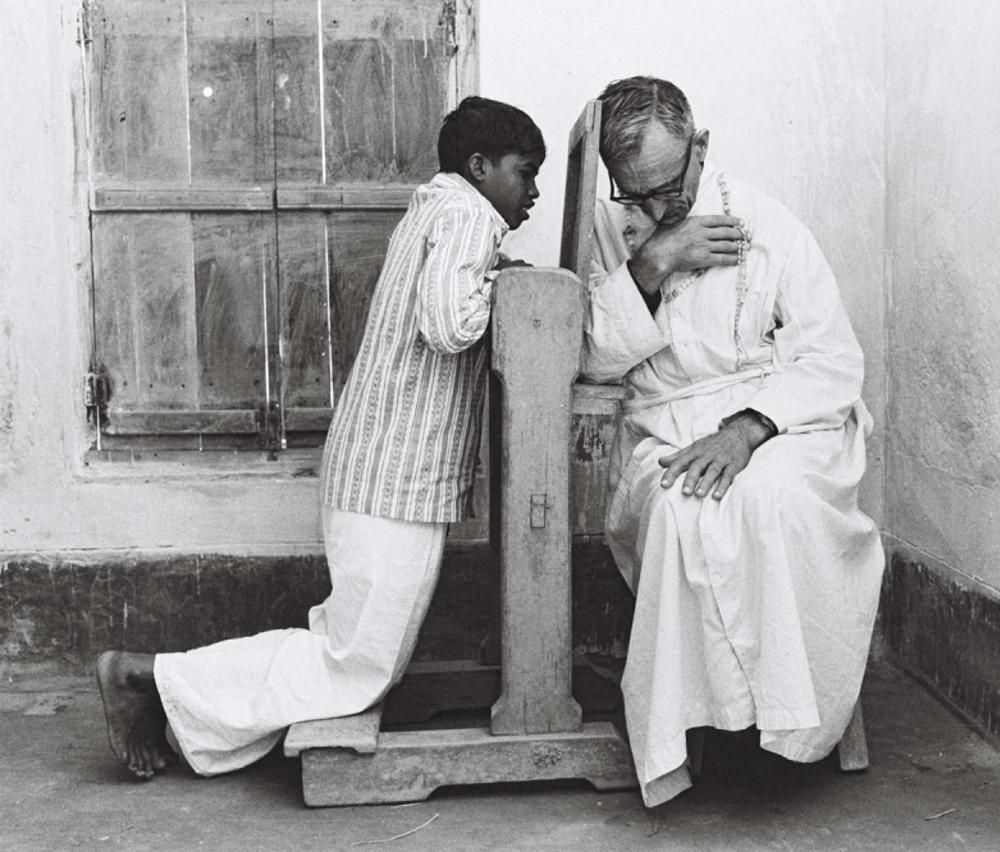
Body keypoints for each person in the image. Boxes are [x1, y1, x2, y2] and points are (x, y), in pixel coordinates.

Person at [96, 96, 544, 779]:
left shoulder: (437, 207)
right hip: (393, 477)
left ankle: (171, 699)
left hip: (383, 471)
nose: (534, 192)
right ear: (480, 167)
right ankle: (145, 677)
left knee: (351, 651)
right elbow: (449, 325)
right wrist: (504, 283)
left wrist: (493, 276)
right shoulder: (466, 214)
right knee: (355, 664)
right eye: (526, 172)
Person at [582, 76, 885, 807]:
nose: (655, 209)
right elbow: (590, 357)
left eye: (669, 189)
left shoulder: (768, 224)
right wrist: (655, 261)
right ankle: (705, 727)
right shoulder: (606, 228)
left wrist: (748, 430)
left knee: (772, 499)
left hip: (781, 420)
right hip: (666, 426)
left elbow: (833, 360)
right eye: (635, 194)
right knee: (681, 506)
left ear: (701, 148)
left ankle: (791, 726)